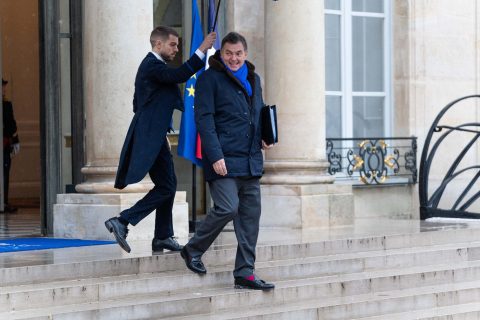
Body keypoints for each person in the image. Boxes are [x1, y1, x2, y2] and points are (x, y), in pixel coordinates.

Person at [105, 26, 216, 254]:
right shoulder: (151, 65)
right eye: (172, 45)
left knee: (168, 184)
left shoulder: (154, 68)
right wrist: (202, 49)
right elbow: (179, 75)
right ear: (158, 44)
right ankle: (123, 220)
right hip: (149, 136)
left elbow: (139, 102)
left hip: (153, 136)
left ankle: (162, 236)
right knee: (167, 186)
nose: (176, 49)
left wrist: (159, 130)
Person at [180, 32, 275, 290]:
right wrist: (215, 156)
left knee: (249, 219)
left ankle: (245, 273)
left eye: (238, 53)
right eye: (229, 53)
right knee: (227, 207)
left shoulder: (254, 79)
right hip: (223, 160)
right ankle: (193, 249)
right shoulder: (209, 79)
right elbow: (205, 120)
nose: (234, 58)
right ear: (222, 54)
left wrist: (266, 136)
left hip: (251, 160)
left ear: (245, 54)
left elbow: (258, 111)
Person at [1, 78, 19, 214]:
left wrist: (15, 141)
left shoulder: (6, 105)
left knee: (5, 174)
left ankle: (4, 201)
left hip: (5, 144)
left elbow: (12, 125)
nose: (4, 89)